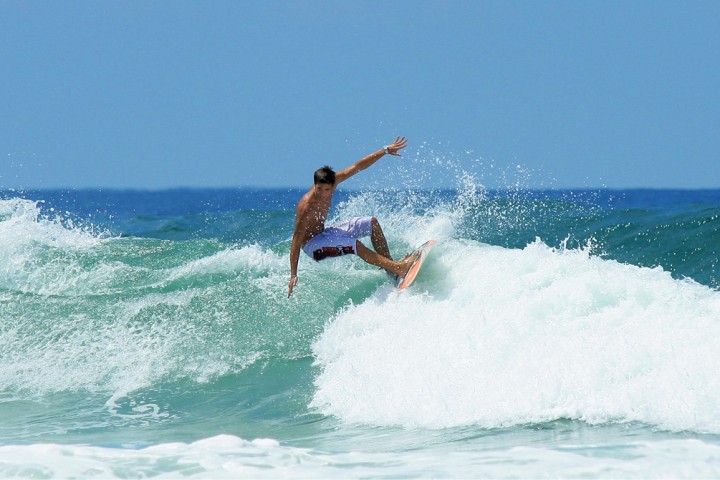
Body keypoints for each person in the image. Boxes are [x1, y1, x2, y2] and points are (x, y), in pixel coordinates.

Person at [288, 136, 418, 297]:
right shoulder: (306, 206)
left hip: (325, 234)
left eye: (327, 190)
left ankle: (392, 268)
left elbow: (358, 166)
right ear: (315, 185)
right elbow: (296, 240)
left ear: (333, 184)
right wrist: (293, 274)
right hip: (313, 246)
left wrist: (384, 151)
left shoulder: (334, 180)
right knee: (354, 244)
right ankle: (398, 268)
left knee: (372, 223)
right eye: (319, 189)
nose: (323, 194)